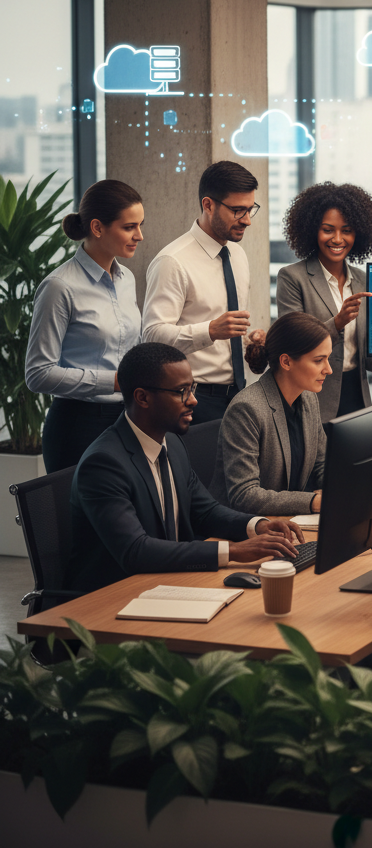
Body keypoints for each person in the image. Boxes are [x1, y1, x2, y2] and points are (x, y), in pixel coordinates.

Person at [64, 342, 302, 594]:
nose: (193, 400)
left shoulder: (172, 443)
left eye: (192, 388)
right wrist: (232, 551)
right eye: (181, 392)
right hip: (113, 597)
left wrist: (257, 526)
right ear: (142, 397)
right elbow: (135, 551)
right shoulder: (104, 464)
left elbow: (205, 512)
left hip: (169, 581)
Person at [26, 180, 145, 473]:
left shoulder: (127, 279)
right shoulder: (59, 287)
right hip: (77, 425)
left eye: (140, 225)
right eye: (129, 227)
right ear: (97, 227)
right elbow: (38, 374)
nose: (139, 236)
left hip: (127, 420)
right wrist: (113, 381)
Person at [276, 182, 372, 423]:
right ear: (312, 231)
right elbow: (291, 345)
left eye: (346, 230)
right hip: (312, 400)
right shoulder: (292, 278)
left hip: (358, 398)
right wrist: (337, 322)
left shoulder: (363, 280)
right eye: (328, 230)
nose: (337, 239)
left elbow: (363, 354)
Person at [143, 161, 259, 424]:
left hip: (240, 395)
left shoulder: (238, 254)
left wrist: (251, 341)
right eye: (238, 211)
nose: (247, 220)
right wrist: (210, 331)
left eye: (251, 209)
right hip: (194, 400)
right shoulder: (172, 261)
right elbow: (151, 336)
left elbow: (229, 329)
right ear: (208, 205)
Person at [210, 312, 330, 515]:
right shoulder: (247, 409)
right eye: (319, 360)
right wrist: (313, 502)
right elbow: (244, 495)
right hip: (240, 526)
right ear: (286, 362)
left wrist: (341, 486)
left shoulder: (308, 398)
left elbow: (322, 464)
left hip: (284, 521)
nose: (328, 369)